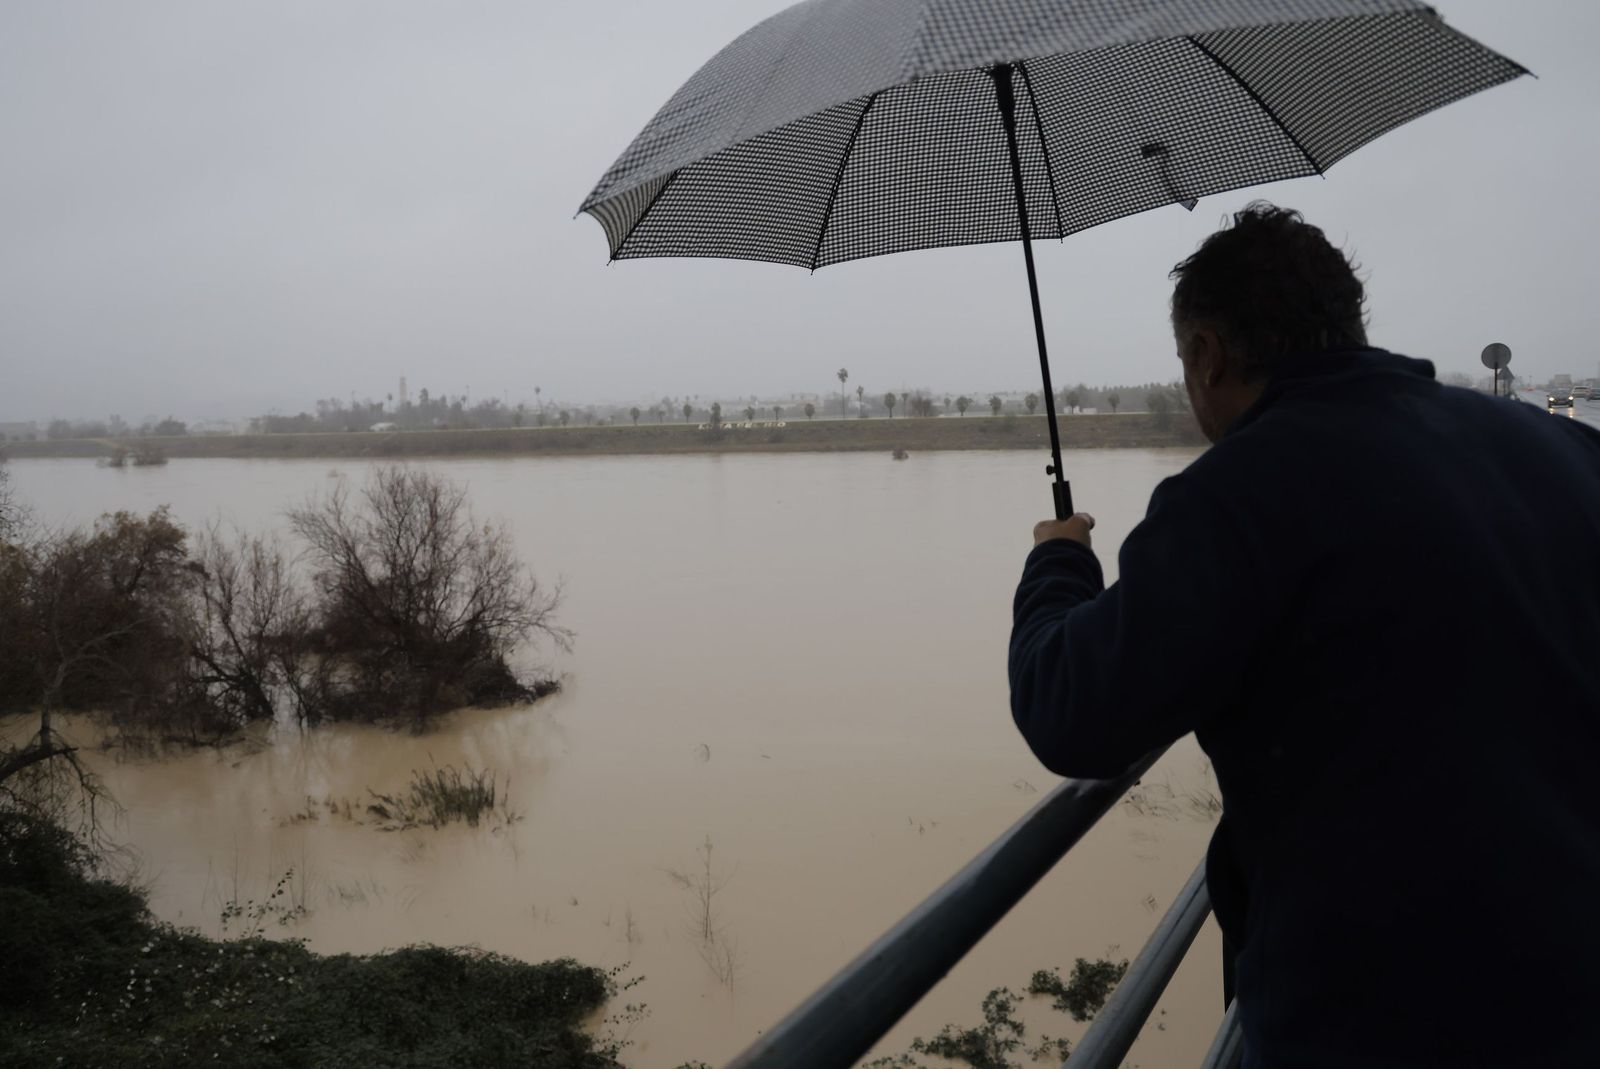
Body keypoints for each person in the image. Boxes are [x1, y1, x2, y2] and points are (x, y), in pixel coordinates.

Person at [1009, 203, 1600, 1066]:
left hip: (1376, 1019)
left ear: (1207, 355)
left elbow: (1072, 710)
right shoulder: (1564, 452)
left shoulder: (1240, 493)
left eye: (1185, 363)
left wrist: (1058, 566)